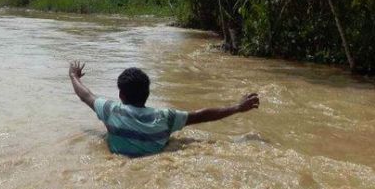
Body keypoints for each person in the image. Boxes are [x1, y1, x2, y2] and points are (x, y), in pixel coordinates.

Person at [68, 61, 260, 156]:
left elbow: (85, 95)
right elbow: (201, 115)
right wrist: (237, 107)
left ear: (121, 95)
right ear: (147, 94)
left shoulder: (111, 111)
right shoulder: (166, 117)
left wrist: (73, 76)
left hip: (119, 162)